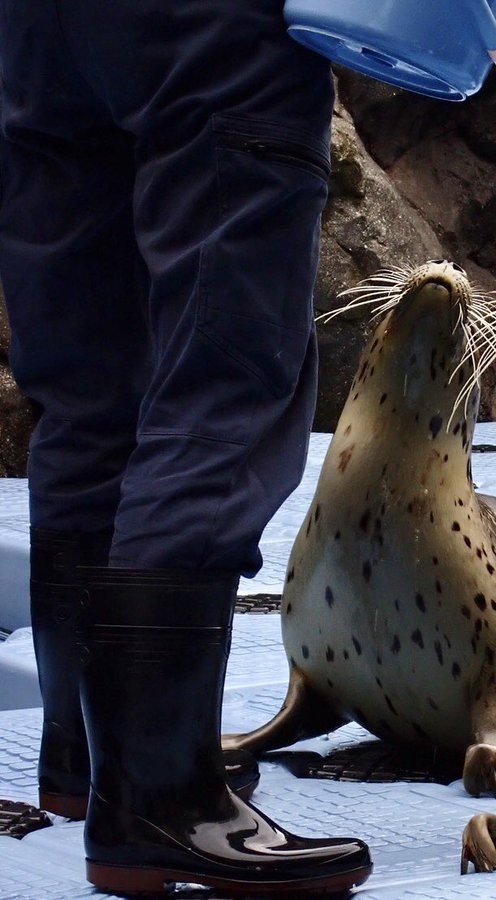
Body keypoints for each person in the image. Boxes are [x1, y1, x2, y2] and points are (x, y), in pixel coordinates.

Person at [0, 0, 372, 894]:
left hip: (36, 31)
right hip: (211, 28)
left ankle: (88, 755)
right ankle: (162, 798)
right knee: (221, 378)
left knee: (91, 388)